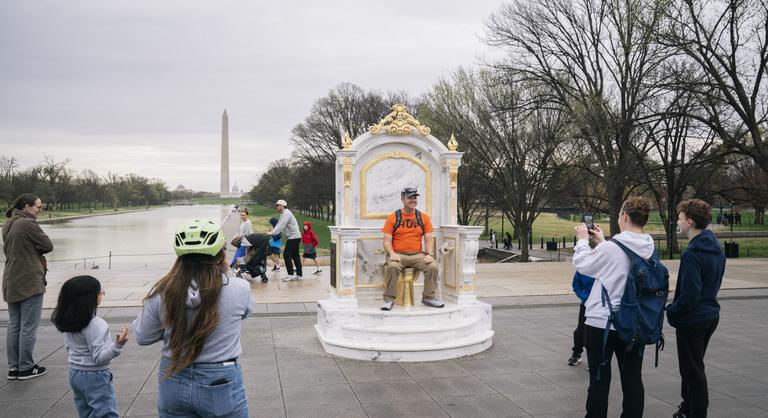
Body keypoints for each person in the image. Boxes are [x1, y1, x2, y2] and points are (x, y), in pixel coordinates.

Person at [132, 219, 253, 417]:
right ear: (221, 254)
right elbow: (246, 312)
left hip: (173, 375)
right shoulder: (239, 288)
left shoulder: (162, 291)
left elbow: (142, 336)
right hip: (220, 378)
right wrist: (227, 271)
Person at [572, 196, 655, 418]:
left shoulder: (612, 247)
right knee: (633, 379)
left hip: (602, 323)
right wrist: (603, 243)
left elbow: (583, 265)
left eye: (619, 214)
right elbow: (620, 263)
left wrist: (582, 241)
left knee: (599, 379)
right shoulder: (649, 247)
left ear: (625, 216)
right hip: (634, 322)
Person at [667, 199, 725, 418]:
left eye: (680, 218)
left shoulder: (692, 253)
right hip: (710, 315)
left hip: (693, 319)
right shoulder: (717, 249)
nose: (677, 222)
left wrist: (673, 310)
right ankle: (688, 407)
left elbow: (690, 294)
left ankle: (695, 411)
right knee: (693, 367)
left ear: (690, 222)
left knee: (692, 370)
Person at [51, 275, 129, 418]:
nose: (102, 294)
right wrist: (118, 345)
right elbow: (99, 357)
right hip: (95, 375)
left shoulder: (70, 320)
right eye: (100, 292)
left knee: (85, 411)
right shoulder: (96, 324)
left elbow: (68, 347)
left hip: (75, 373)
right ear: (90, 298)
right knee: (105, 412)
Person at [2, 193, 53, 380]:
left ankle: (14, 367)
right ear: (26, 206)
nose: (40, 210)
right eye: (38, 207)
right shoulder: (27, 223)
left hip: (11, 277)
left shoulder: (9, 223)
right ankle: (26, 367)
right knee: (28, 326)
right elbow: (48, 245)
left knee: (14, 324)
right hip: (29, 279)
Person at [381, 187, 443, 311]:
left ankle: (428, 298)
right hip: (398, 254)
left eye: (414, 197)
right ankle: (389, 300)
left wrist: (429, 254)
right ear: (402, 199)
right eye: (409, 197)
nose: (413, 200)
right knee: (392, 267)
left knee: (432, 267)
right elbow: (387, 241)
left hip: (417, 255)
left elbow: (428, 238)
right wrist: (392, 253)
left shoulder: (423, 217)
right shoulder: (393, 217)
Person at [268, 199, 302, 282]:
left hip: (294, 237)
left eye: (278, 205)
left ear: (283, 205)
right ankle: (299, 275)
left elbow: (281, 225)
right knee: (295, 256)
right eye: (276, 205)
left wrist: (272, 233)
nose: (277, 207)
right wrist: (272, 232)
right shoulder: (283, 214)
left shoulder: (287, 213)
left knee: (286, 254)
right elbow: (278, 224)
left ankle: (290, 274)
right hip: (293, 237)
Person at [568, 271, 595, 366]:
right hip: (586, 304)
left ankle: (595, 359)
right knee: (580, 330)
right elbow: (576, 286)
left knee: (596, 333)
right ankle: (577, 353)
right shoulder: (582, 270)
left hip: (602, 306)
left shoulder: (604, 267)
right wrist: (585, 298)